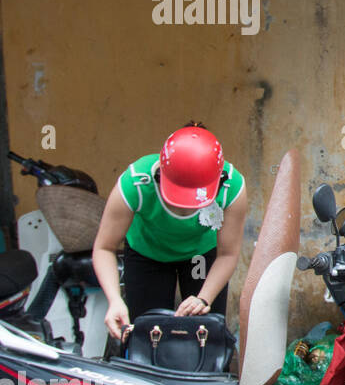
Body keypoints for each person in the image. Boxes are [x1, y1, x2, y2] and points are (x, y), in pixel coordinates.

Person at [92, 123, 249, 341]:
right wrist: (114, 300)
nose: (187, 209)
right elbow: (104, 247)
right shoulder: (136, 183)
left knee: (204, 330)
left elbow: (228, 254)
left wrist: (203, 299)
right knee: (148, 332)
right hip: (148, 255)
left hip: (198, 256)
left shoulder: (230, 187)